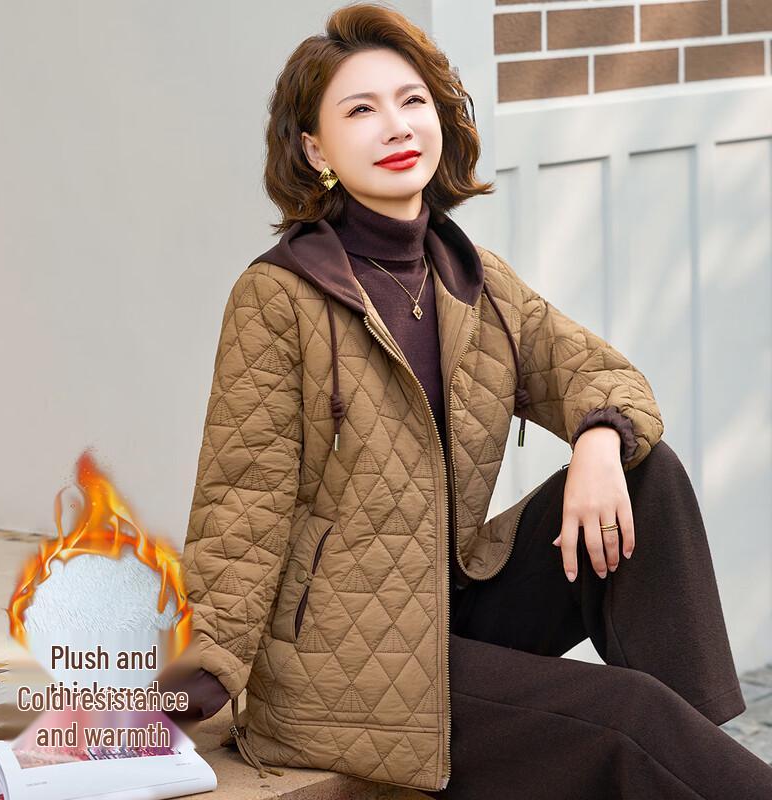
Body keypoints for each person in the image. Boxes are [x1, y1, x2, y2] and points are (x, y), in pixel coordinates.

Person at [166, 3, 772, 797]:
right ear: (315, 148)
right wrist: (183, 695)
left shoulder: (474, 281)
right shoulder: (279, 298)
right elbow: (241, 507)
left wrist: (596, 442)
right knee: (629, 715)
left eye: (411, 101)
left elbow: (603, 374)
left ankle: (697, 750)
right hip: (343, 671)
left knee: (646, 471)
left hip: (451, 610)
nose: (396, 126)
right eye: (361, 110)